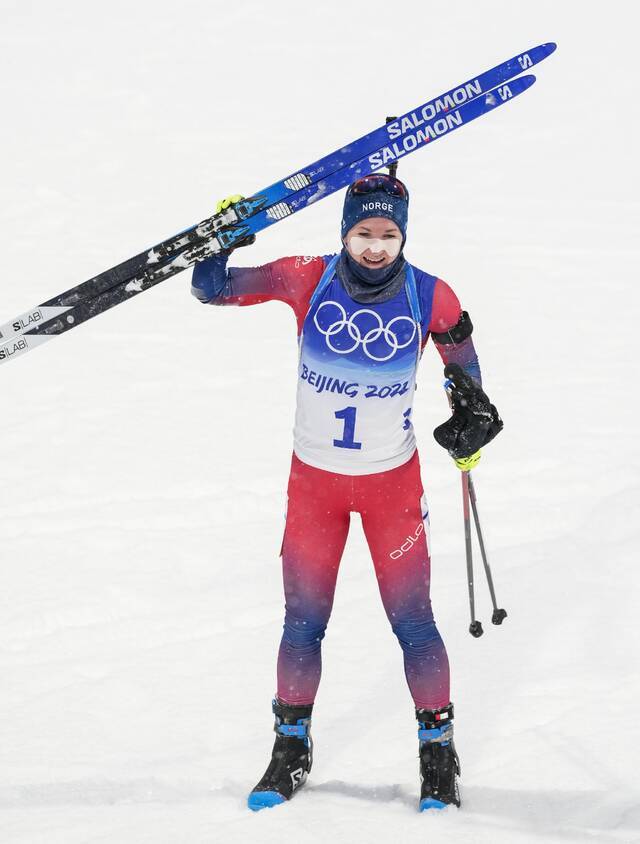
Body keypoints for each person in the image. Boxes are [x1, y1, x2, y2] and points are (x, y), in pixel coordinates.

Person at [191, 174, 502, 812]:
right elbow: (211, 287)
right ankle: (289, 748)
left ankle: (438, 755)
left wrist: (471, 406)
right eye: (364, 232)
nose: (376, 247)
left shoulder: (429, 295)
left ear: (404, 236)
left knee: (413, 624)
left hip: (392, 486)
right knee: (303, 623)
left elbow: (461, 358)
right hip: (314, 487)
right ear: (344, 232)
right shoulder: (307, 277)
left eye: (388, 235)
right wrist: (221, 239)